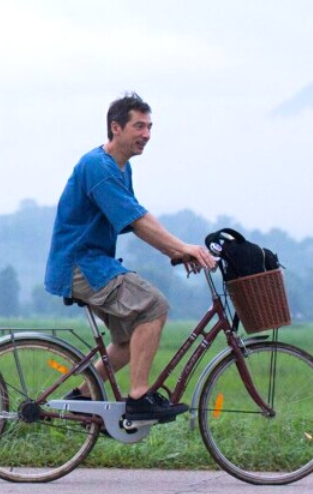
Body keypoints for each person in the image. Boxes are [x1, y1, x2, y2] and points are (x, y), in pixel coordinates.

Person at [43, 93, 217, 422]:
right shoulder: (98, 167)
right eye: (139, 126)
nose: (147, 134)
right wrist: (182, 247)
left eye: (150, 127)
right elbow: (136, 220)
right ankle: (138, 398)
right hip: (81, 266)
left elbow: (136, 220)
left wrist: (175, 252)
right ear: (116, 128)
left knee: (125, 342)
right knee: (153, 306)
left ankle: (80, 397)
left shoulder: (120, 168)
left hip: (94, 263)